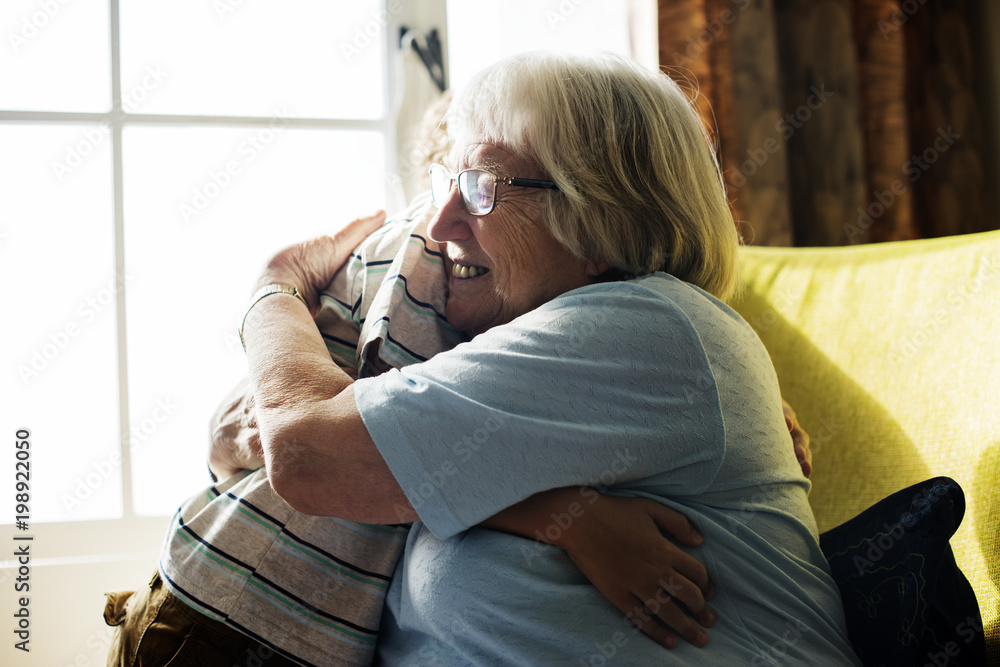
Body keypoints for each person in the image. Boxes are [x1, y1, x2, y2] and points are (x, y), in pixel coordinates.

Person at [230, 51, 859, 665]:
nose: (440, 224)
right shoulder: (479, 336)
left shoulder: (642, 329)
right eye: (447, 182)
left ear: (599, 219)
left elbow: (305, 452)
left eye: (481, 188)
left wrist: (275, 286)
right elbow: (240, 437)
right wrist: (554, 513)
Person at [104, 196, 725, 666]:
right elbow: (373, 450)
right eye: (461, 182)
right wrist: (564, 516)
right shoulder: (425, 260)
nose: (450, 217)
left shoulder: (578, 314)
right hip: (227, 614)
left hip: (301, 633)